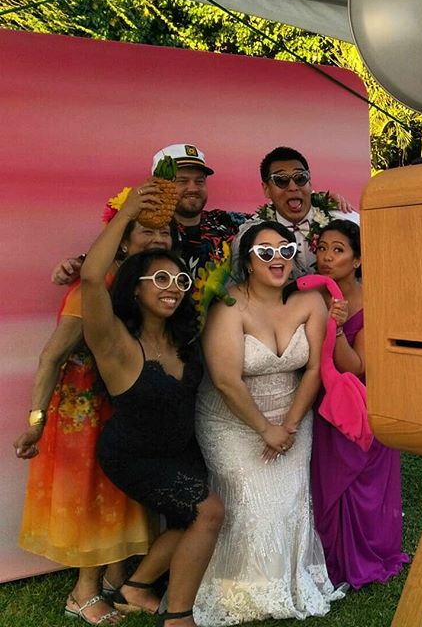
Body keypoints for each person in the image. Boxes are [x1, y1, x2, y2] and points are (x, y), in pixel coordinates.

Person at [13, 203, 176, 625]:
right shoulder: (93, 286)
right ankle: (82, 592)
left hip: (125, 405)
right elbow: (52, 357)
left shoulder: (148, 286)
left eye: (165, 232)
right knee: (93, 494)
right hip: (83, 410)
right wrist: (35, 421)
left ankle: (115, 578)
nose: (159, 240)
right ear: (121, 239)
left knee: (122, 495)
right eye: (147, 232)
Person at [80, 186, 225, 627]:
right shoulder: (116, 343)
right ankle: (178, 616)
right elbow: (90, 278)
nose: (174, 288)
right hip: (133, 453)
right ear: (136, 289)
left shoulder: (183, 336)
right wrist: (126, 215)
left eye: (180, 280)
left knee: (187, 521)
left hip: (180, 448)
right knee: (208, 512)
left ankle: (136, 586)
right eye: (160, 280)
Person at [193, 221, 342, 625]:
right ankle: (235, 588)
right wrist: (264, 429)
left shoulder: (311, 301)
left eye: (285, 250)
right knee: (250, 501)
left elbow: (314, 369)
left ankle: (285, 581)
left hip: (292, 417)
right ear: (247, 260)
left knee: (288, 501)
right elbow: (225, 379)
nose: (277, 258)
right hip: (231, 421)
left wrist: (290, 425)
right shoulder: (227, 305)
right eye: (265, 252)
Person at [312, 219, 409, 589]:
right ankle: (330, 555)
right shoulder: (310, 293)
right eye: (322, 248)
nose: (326, 258)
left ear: (357, 260)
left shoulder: (371, 301)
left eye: (338, 251)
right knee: (329, 485)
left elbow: (356, 366)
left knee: (362, 487)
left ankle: (366, 554)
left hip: (360, 408)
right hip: (322, 407)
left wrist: (335, 328)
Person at [52, 143, 250, 284]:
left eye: (199, 181)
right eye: (181, 181)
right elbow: (113, 255)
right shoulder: (146, 227)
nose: (193, 188)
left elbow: (270, 226)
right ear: (160, 184)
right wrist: (77, 264)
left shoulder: (228, 221)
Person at [239, 146, 360, 275]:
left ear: (310, 182)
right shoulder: (252, 234)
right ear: (266, 189)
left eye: (300, 178)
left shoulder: (344, 219)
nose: (293, 187)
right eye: (281, 180)